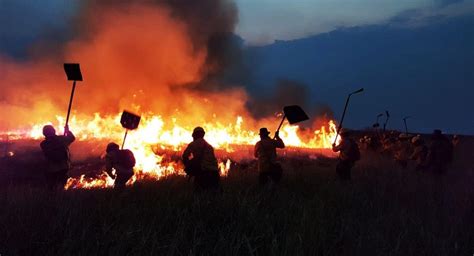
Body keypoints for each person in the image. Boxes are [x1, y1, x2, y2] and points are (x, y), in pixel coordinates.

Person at [182, 127, 220, 191]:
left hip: (203, 173)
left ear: (194, 135)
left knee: (199, 194)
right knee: (213, 196)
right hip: (214, 174)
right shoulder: (209, 146)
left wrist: (188, 166)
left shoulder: (193, 144)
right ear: (203, 135)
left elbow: (185, 156)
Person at [40, 125, 75, 191]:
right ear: (54, 131)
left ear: (44, 133)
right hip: (64, 167)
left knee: (52, 188)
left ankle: (54, 199)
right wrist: (67, 131)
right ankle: (61, 198)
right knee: (61, 186)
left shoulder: (43, 144)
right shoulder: (62, 139)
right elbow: (72, 138)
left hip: (52, 169)